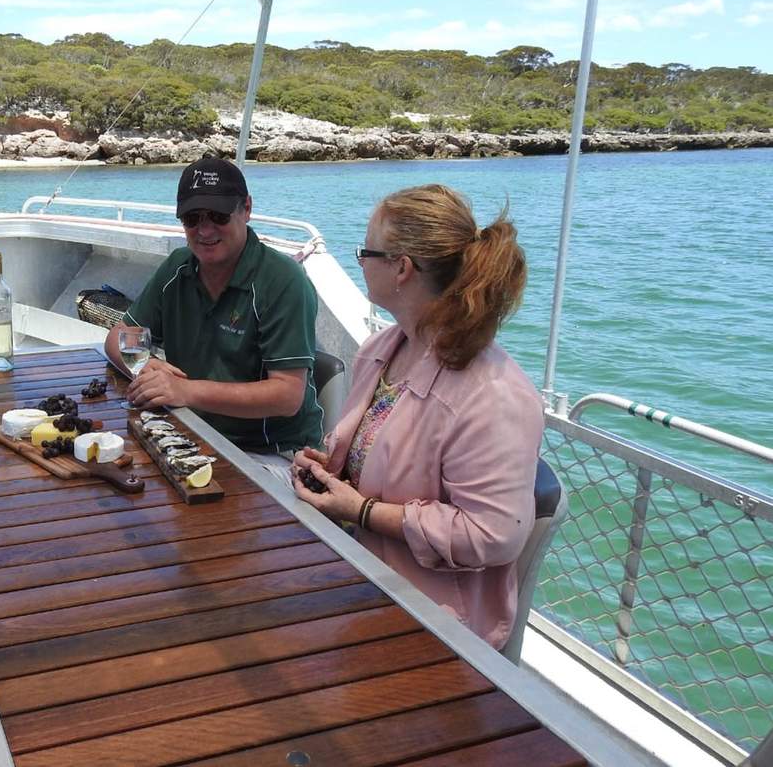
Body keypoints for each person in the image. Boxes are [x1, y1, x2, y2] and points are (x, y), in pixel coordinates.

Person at [292, 183, 542, 650]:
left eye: (367, 251)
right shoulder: (382, 351)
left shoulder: (493, 396)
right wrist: (330, 473)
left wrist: (361, 510)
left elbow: (493, 535)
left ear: (401, 268)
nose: (360, 262)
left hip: (436, 623)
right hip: (363, 575)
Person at [105, 156, 323, 480]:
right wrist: (145, 366)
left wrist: (184, 391)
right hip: (192, 431)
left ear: (246, 209)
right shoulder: (179, 267)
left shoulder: (282, 281)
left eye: (218, 216)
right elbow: (117, 336)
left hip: (269, 453)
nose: (204, 230)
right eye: (192, 218)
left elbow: (287, 395)